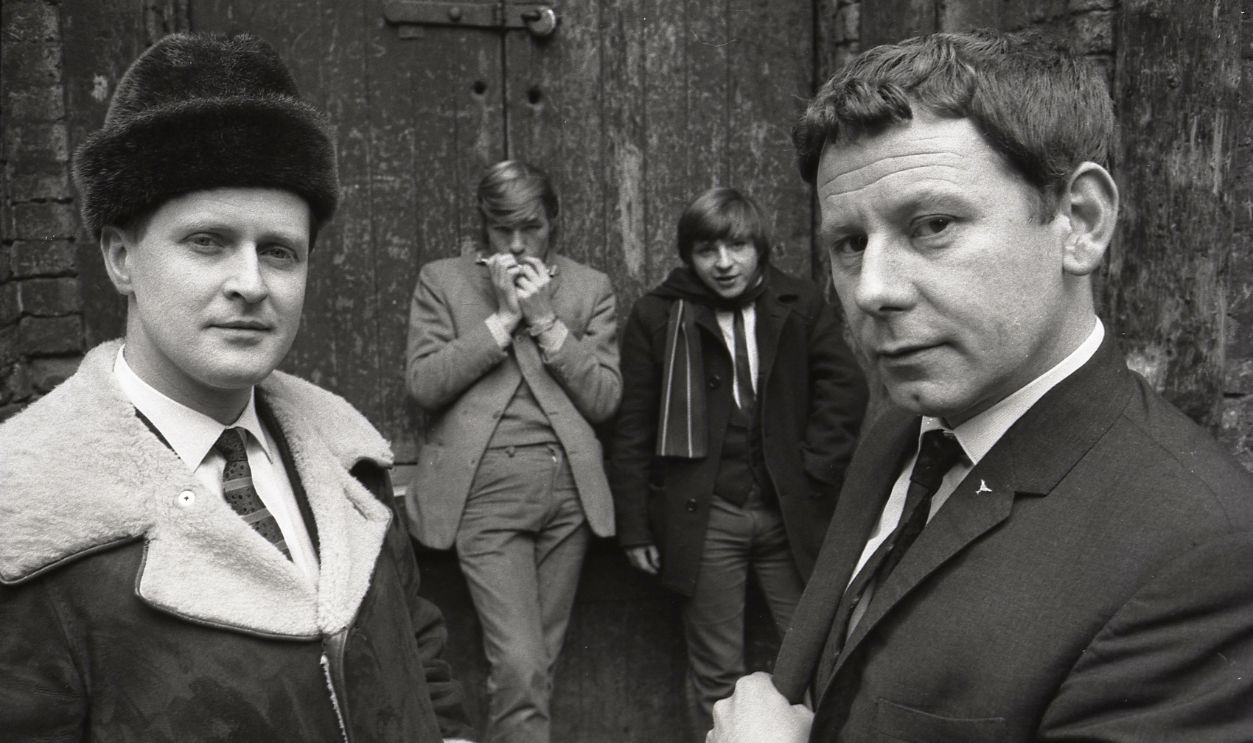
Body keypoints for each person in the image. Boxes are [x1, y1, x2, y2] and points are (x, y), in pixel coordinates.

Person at [708, 29, 1253, 742]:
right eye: (848, 244)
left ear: (1079, 222)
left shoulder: (1195, 551)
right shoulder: (903, 432)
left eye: (931, 225)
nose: (871, 290)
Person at [0, 32, 474, 743]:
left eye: (279, 250)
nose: (251, 283)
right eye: (207, 242)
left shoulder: (349, 457)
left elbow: (420, 660)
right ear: (122, 257)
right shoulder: (27, 509)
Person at [610, 187, 867, 741]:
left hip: (787, 514)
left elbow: (844, 388)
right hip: (707, 518)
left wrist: (812, 470)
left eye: (737, 246)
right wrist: (634, 524)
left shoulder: (797, 303)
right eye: (707, 250)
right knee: (716, 671)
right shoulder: (659, 314)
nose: (723, 264)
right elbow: (632, 423)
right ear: (688, 255)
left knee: (818, 651)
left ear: (759, 247)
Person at [404, 160, 621, 743]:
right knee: (522, 667)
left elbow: (604, 399)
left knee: (535, 669)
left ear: (555, 221)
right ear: (484, 228)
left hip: (569, 495)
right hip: (486, 497)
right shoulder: (444, 281)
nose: (519, 244)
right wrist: (502, 321)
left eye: (532, 227)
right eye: (503, 231)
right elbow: (423, 384)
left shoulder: (587, 287)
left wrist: (546, 320)